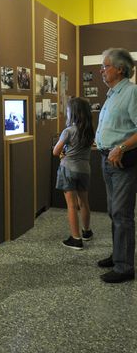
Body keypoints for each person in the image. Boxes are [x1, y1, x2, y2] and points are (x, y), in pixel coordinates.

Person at [95, 47, 137, 283]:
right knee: (113, 212)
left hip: (122, 162)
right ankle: (118, 255)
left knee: (122, 214)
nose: (101, 71)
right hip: (107, 160)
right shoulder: (112, 94)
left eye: (105, 66)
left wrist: (120, 147)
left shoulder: (132, 92)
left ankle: (124, 267)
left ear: (119, 69)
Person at [53, 97, 94, 250]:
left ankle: (75, 239)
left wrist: (64, 152)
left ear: (73, 113)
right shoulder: (90, 130)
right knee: (84, 202)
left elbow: (56, 151)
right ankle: (87, 232)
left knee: (72, 205)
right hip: (85, 169)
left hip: (68, 169)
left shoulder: (68, 131)